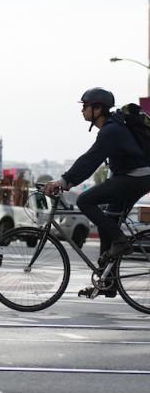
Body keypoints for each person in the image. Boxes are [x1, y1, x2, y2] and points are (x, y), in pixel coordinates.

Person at [44, 88, 150, 266]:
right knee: (107, 223)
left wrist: (63, 182)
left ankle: (121, 242)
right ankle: (107, 281)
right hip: (135, 178)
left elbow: (89, 161)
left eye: (85, 106)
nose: (82, 110)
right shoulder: (114, 128)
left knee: (84, 201)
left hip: (135, 178)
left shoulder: (111, 131)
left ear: (98, 109)